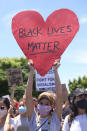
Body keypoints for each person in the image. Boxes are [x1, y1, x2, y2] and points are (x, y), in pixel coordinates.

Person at [26, 59, 62, 131]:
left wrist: (55, 71)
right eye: (41, 103)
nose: (43, 106)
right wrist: (31, 71)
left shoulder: (55, 117)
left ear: (52, 106)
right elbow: (28, 96)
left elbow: (59, 95)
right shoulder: (33, 117)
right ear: (37, 104)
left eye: (47, 104)